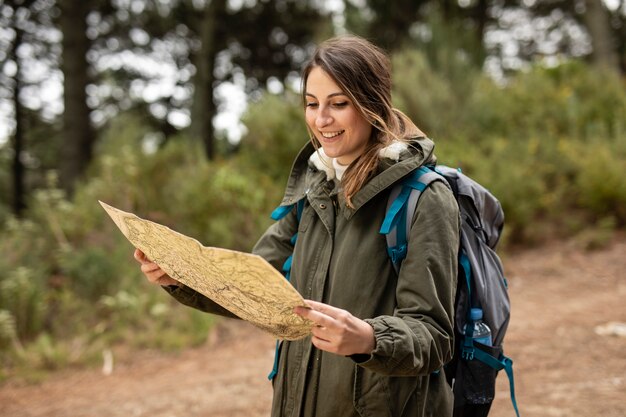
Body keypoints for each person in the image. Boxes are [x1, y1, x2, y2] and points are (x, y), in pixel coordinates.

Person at [134, 35, 460, 417]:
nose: (322, 120)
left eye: (338, 104)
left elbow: (434, 336)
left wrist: (368, 338)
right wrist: (179, 276)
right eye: (312, 104)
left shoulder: (426, 197)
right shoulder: (314, 189)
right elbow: (250, 287)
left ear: (372, 104)